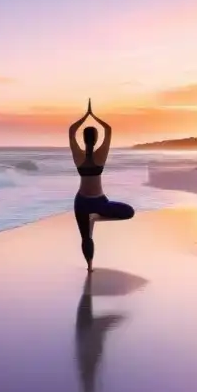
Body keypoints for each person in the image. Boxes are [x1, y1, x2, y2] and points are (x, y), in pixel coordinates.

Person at [69, 99, 134, 272]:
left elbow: (71, 131)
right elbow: (109, 130)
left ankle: (89, 266)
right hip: (98, 202)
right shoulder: (101, 155)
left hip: (82, 202)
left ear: (83, 139)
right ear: (96, 139)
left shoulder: (78, 156)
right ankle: (96, 216)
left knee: (86, 237)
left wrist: (85, 116)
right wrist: (94, 116)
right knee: (129, 212)